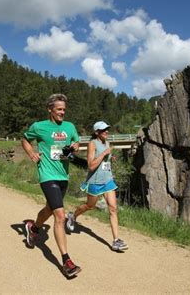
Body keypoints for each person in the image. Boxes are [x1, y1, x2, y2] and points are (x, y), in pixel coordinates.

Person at [22, 93, 81, 278]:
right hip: (47, 175)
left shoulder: (69, 126)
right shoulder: (39, 127)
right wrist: (31, 153)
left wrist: (75, 145)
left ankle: (33, 229)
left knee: (50, 209)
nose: (62, 112)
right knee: (60, 216)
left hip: (63, 175)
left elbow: (76, 140)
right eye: (59, 109)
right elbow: (24, 139)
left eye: (64, 109)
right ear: (50, 110)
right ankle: (66, 261)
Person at [66, 121, 128, 252]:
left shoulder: (107, 142)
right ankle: (73, 215)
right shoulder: (92, 144)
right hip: (95, 181)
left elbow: (104, 158)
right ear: (96, 132)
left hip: (108, 180)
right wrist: (104, 154)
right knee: (90, 206)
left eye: (107, 129)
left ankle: (116, 241)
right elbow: (91, 165)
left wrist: (111, 157)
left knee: (113, 208)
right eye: (103, 130)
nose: (106, 131)